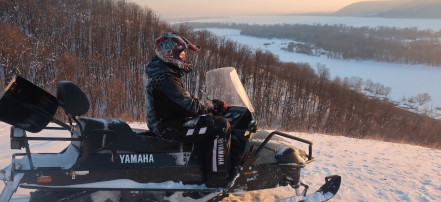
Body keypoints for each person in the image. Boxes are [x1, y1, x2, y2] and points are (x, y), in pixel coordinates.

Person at [144, 32, 231, 187]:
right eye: (181, 54)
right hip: (169, 128)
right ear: (170, 54)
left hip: (166, 123)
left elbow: (181, 103)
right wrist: (214, 105)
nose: (184, 58)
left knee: (208, 122)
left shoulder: (161, 71)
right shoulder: (165, 77)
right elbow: (190, 106)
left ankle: (202, 166)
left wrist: (205, 108)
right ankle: (217, 181)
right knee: (221, 126)